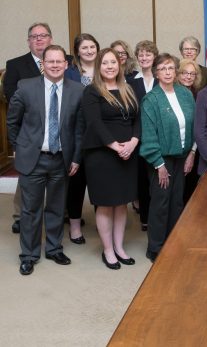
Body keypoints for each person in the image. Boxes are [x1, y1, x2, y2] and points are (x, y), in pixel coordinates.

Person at [7, 44, 84, 275]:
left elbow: (79, 129)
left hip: (62, 159)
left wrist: (76, 158)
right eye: (50, 61)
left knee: (57, 207)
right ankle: (29, 254)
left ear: (66, 64)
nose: (55, 65)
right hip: (34, 159)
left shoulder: (78, 90)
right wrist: (21, 147)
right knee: (31, 210)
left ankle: (53, 248)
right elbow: (12, 122)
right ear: (43, 64)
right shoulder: (26, 87)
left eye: (59, 61)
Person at [81, 48, 140, 270]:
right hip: (102, 154)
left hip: (128, 153)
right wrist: (115, 146)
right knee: (105, 204)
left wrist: (133, 141)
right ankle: (108, 250)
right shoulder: (92, 91)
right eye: (104, 63)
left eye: (113, 62)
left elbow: (138, 119)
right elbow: (94, 123)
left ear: (119, 65)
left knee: (122, 202)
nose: (109, 66)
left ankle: (119, 247)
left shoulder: (129, 88)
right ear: (99, 67)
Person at [3, 22, 60, 235]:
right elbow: (11, 98)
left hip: (56, 133)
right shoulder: (16, 64)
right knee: (26, 179)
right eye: (34, 36)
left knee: (56, 179)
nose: (39, 39)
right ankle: (20, 216)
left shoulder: (62, 61)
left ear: (50, 39)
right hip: (30, 131)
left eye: (43, 35)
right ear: (29, 41)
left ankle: (57, 215)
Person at [140, 54, 195, 263]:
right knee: (160, 204)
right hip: (161, 160)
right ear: (156, 72)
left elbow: (194, 126)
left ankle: (173, 242)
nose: (168, 72)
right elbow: (148, 135)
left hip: (182, 157)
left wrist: (192, 153)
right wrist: (159, 164)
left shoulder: (185, 94)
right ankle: (155, 247)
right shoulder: (151, 99)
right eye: (163, 68)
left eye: (171, 68)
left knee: (177, 202)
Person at [64, 33, 101, 244]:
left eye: (92, 47)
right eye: (84, 47)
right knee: (76, 183)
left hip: (101, 136)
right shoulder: (69, 73)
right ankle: (75, 226)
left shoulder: (105, 69)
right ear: (77, 51)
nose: (89, 51)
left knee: (99, 181)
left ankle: (101, 221)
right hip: (75, 135)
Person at [127, 40, 158, 231]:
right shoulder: (130, 81)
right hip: (137, 139)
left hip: (158, 139)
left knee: (158, 180)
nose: (144, 57)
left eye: (148, 54)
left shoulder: (162, 79)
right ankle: (145, 219)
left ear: (154, 57)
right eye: (141, 54)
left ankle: (158, 217)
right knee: (142, 181)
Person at [176, 59, 202, 205]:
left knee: (190, 192)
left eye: (192, 74)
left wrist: (192, 152)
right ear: (178, 74)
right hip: (174, 151)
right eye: (185, 72)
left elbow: (199, 126)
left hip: (193, 149)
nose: (188, 76)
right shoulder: (171, 93)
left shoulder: (199, 96)